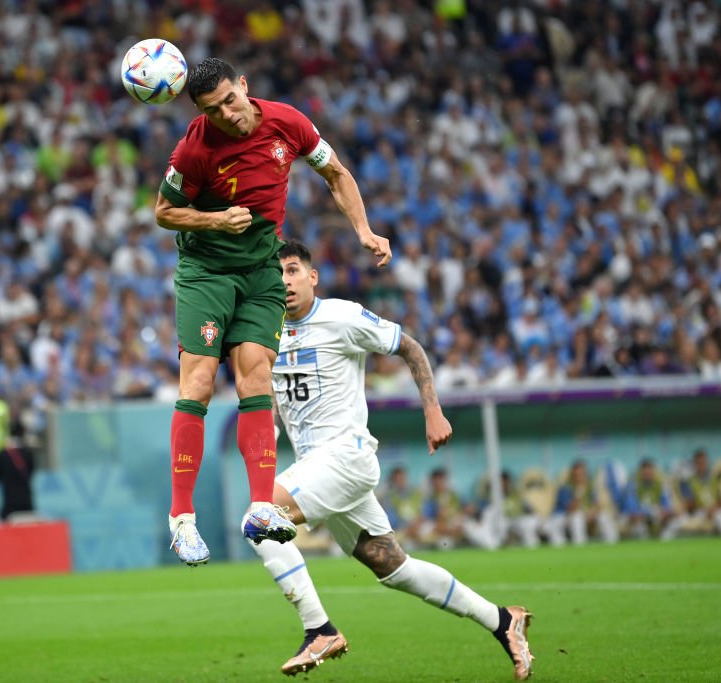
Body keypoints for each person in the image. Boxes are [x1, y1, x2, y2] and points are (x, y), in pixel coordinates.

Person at [251, 241, 533, 680]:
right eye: (277, 273)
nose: (284, 281)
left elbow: (410, 347)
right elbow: (269, 401)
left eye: (292, 270)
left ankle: (318, 629)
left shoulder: (341, 316)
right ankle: (503, 621)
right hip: (318, 468)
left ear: (312, 277)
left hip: (347, 456)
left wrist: (433, 410)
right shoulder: (267, 330)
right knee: (393, 567)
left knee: (259, 518)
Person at [154, 58, 392, 565]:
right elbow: (163, 212)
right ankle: (182, 519)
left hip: (262, 267)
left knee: (256, 378)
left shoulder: (289, 122)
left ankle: (263, 507)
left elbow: (335, 172)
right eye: (212, 110)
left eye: (230, 101)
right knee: (196, 383)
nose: (227, 114)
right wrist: (215, 220)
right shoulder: (195, 148)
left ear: (244, 86)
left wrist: (364, 232)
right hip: (207, 271)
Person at [0, 421, 36, 521]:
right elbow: (31, 472)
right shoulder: (28, 454)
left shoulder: (2, 455)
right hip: (26, 501)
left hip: (9, 502)